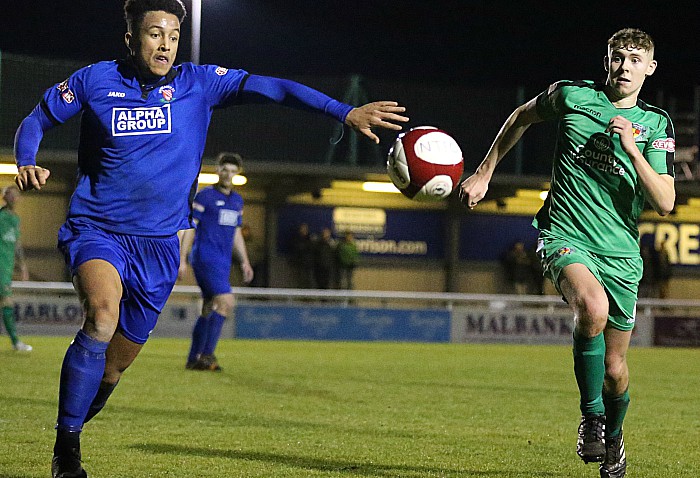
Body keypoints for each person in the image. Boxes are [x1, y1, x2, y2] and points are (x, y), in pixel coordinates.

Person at [12, 1, 408, 476]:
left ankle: (70, 427)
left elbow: (274, 88)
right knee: (101, 314)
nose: (164, 43)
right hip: (98, 230)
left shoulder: (198, 83)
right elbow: (35, 119)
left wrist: (343, 112)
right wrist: (27, 158)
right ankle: (67, 452)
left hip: (158, 246)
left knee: (114, 368)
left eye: (173, 36)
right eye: (154, 33)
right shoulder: (94, 80)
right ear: (130, 39)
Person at [460, 28, 675, 478]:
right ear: (606, 60)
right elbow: (521, 116)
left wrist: (633, 151)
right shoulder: (572, 96)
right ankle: (591, 417)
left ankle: (613, 437)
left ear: (650, 68)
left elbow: (666, 201)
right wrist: (484, 172)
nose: (624, 66)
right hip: (565, 234)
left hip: (621, 253)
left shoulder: (655, 124)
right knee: (590, 308)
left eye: (635, 60)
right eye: (618, 57)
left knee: (616, 368)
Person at [178, 152, 252, 372]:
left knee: (209, 308)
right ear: (218, 170)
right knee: (226, 302)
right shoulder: (205, 197)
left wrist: (245, 262)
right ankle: (207, 355)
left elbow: (236, 233)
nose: (227, 175)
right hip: (204, 257)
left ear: (237, 174)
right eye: (224, 170)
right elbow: (190, 229)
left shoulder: (237, 201)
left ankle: (193, 358)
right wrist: (182, 258)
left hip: (222, 262)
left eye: (232, 171)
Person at [0, 185, 32, 352]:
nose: (14, 198)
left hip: (6, 267)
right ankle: (15, 342)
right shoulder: (1, 217)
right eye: (10, 195)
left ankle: (15, 342)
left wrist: (23, 266)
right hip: (0, 267)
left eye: (16, 195)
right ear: (5, 197)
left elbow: (17, 244)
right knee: (6, 301)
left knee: (5, 302)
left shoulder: (15, 219)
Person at [289, 223, 315, 288]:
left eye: (305, 229)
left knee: (308, 279)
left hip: (308, 263)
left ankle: (307, 295)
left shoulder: (309, 238)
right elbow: (296, 248)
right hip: (299, 262)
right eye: (302, 229)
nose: (304, 231)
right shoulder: (296, 238)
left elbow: (311, 249)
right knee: (300, 279)